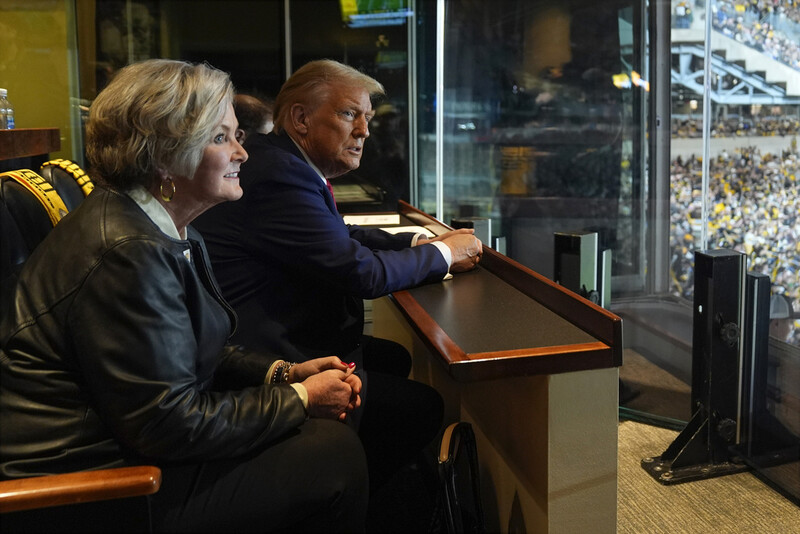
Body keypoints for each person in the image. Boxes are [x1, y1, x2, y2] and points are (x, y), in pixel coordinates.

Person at [0, 59, 368, 533]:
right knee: (331, 456)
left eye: (237, 135)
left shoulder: (163, 223)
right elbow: (168, 424)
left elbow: (191, 346)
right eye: (221, 138)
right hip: (87, 490)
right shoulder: (128, 252)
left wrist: (283, 373)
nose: (243, 153)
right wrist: (299, 397)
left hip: (126, 451)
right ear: (164, 156)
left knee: (324, 439)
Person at [192, 58, 478, 503]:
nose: (364, 130)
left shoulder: (286, 164)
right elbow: (360, 272)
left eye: (368, 117)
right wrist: (442, 253)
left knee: (391, 357)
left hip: (282, 332)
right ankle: (349, 497)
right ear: (301, 119)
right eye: (350, 114)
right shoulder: (277, 173)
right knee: (420, 408)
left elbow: (338, 235)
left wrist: (420, 239)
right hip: (263, 353)